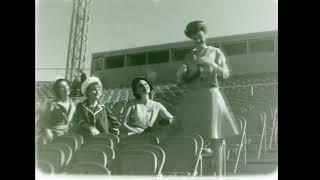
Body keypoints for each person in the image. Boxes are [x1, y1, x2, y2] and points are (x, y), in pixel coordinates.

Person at [175, 20, 240, 175]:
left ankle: (219, 175)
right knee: (192, 137)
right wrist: (180, 75)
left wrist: (214, 65)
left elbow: (225, 74)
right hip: (193, 97)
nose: (197, 36)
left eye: (199, 32)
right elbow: (183, 80)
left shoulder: (215, 52)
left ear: (205, 33)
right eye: (193, 35)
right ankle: (195, 174)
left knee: (216, 138)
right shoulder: (188, 56)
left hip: (211, 95)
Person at [37, 79, 76, 144]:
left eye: (66, 86)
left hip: (67, 135)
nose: (65, 88)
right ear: (57, 90)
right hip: (52, 135)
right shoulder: (51, 104)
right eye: (62, 87)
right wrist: (47, 131)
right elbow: (40, 123)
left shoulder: (73, 105)